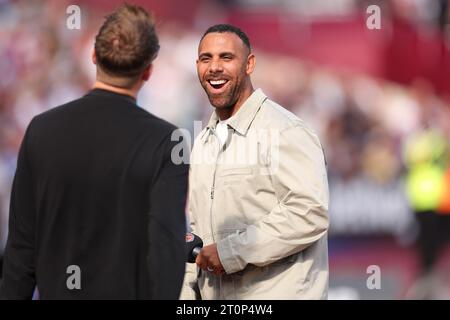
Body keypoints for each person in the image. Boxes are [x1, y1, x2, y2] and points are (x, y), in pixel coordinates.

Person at [0, 4, 188, 299]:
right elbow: (167, 249)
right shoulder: (167, 141)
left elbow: (22, 247)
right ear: (148, 71)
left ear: (94, 57)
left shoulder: (42, 130)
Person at [181, 24, 329, 300]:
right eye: (206, 58)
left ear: (249, 64)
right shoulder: (203, 142)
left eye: (226, 57)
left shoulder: (286, 130)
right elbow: (197, 233)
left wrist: (230, 252)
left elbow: (309, 212)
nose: (214, 67)